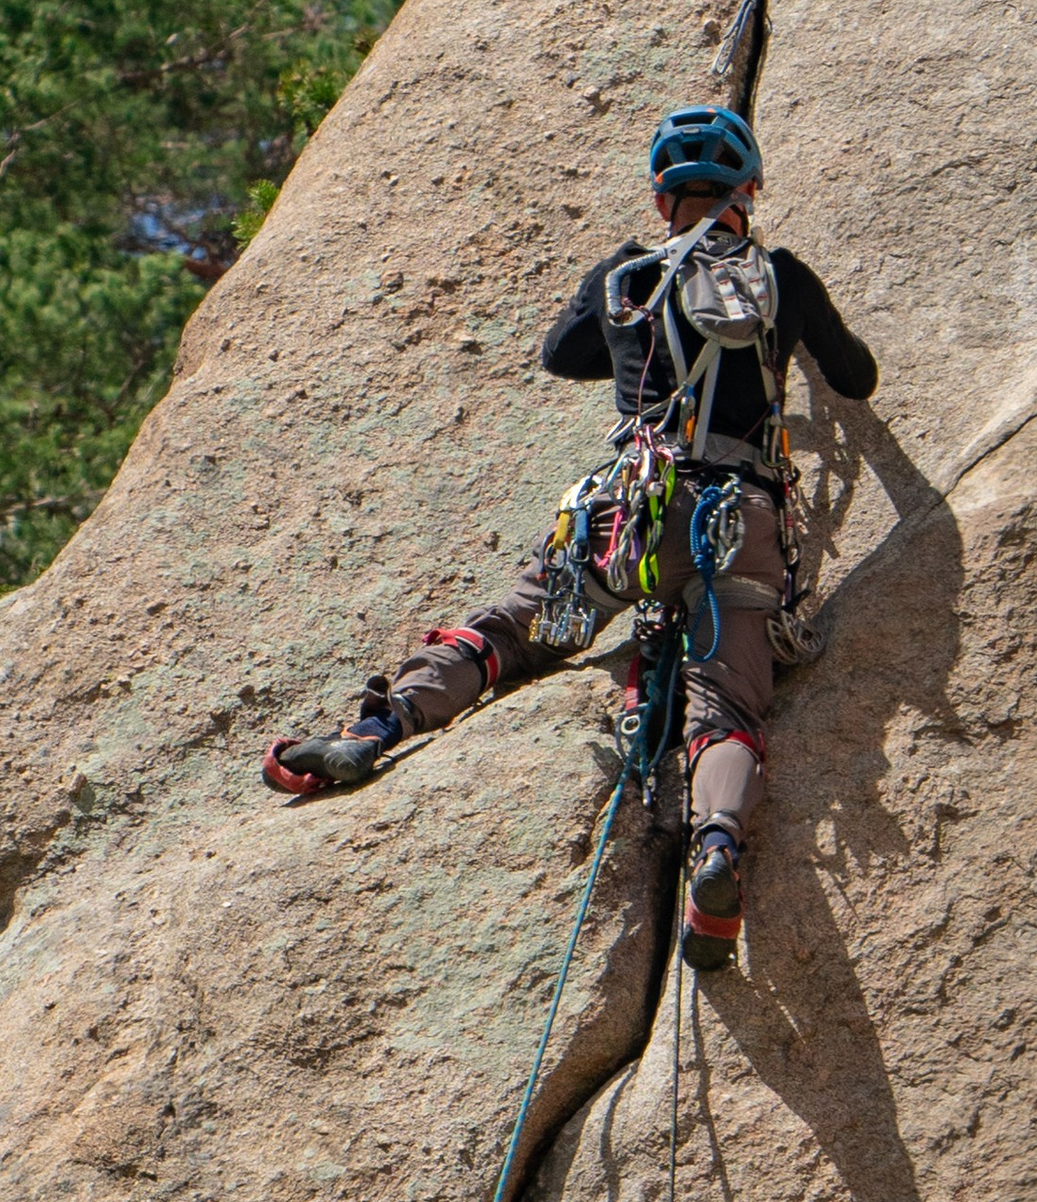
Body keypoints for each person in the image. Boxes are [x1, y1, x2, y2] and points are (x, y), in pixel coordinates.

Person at [264, 104, 878, 972]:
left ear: (661, 199)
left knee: (511, 631)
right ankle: (716, 850)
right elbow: (857, 377)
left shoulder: (624, 277)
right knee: (727, 708)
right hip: (737, 520)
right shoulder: (781, 278)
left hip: (631, 514)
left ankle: (378, 727)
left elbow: (562, 356)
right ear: (749, 193)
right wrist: (782, 344)